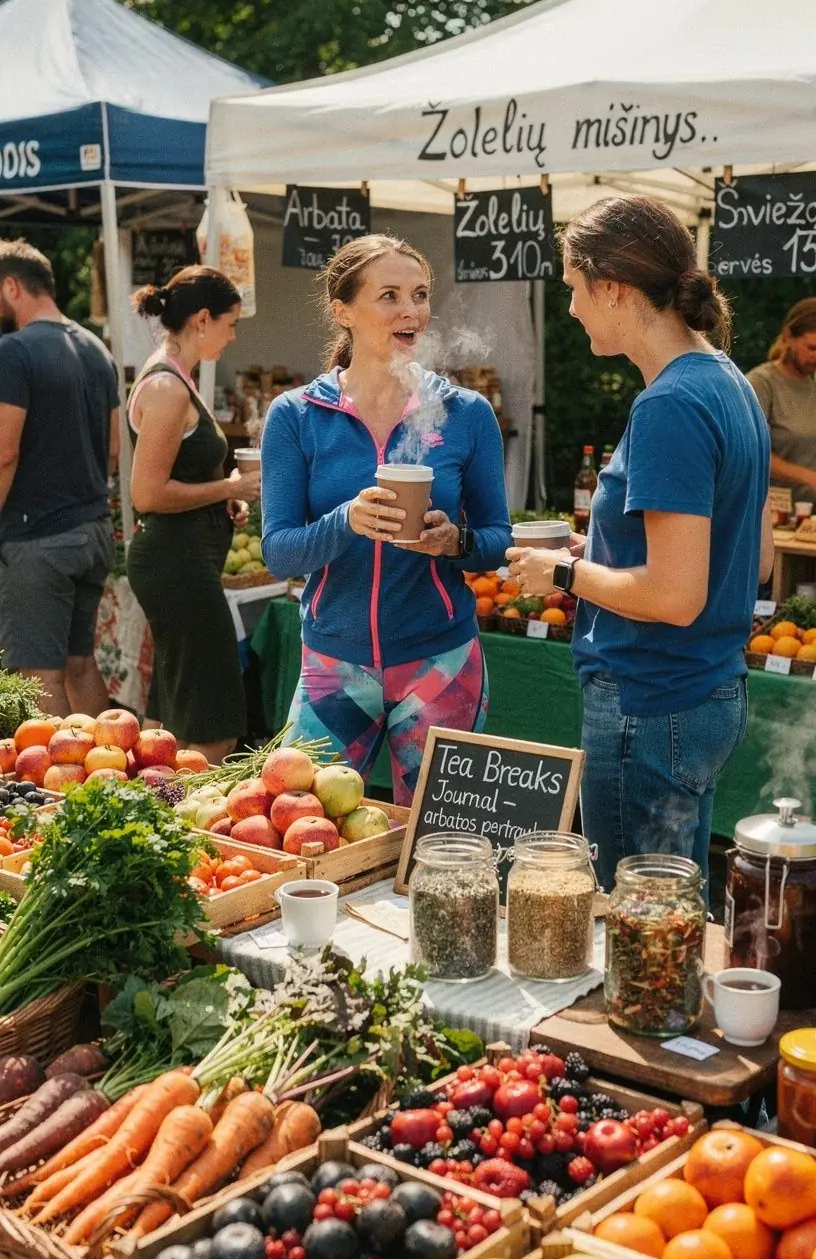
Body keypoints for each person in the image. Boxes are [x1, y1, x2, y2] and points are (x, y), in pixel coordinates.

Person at [507, 197, 773, 893]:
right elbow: (757, 557)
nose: (570, 309)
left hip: (652, 703)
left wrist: (565, 571)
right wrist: (599, 550)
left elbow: (674, 595)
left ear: (613, 288)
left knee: (640, 923)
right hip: (706, 691)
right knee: (677, 912)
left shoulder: (669, 404)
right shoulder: (729, 383)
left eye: (572, 288)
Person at [261, 234, 512, 804]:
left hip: (441, 661)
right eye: (390, 296)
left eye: (420, 295)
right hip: (334, 662)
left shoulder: (465, 413)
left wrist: (455, 541)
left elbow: (499, 539)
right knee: (311, 829)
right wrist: (346, 520)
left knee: (436, 841)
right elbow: (278, 550)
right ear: (342, 311)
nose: (411, 311)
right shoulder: (297, 416)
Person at [127, 266, 260, 763]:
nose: (233, 335)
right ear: (203, 319)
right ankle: (196, 833)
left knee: (167, 727)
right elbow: (148, 493)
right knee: (212, 728)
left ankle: (152, 820)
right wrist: (229, 484)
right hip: (176, 562)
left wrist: (222, 498)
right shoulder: (167, 387)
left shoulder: (176, 377)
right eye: (230, 323)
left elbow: (175, 478)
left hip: (182, 560)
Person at [0, 239, 118, 717]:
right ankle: (105, 774)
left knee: (36, 675)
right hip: (92, 530)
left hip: (38, 537)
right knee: (80, 665)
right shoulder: (96, 347)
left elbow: (4, 451)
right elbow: (113, 447)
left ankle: (40, 789)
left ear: (11, 287)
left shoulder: (13, 351)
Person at [747, 298, 816, 506]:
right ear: (788, 336)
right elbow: (752, 453)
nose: (815, 356)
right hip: (775, 515)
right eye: (811, 348)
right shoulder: (761, 383)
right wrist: (808, 477)